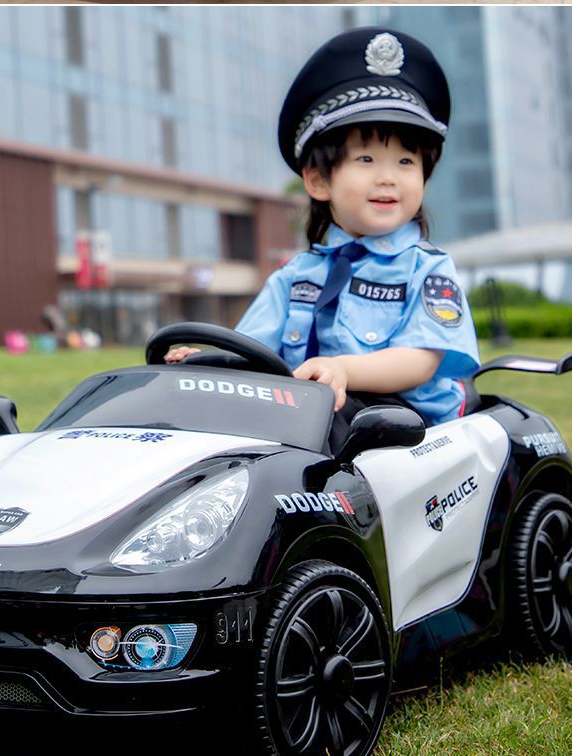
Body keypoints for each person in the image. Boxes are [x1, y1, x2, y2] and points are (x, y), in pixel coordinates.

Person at [166, 27, 480, 449]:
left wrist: (343, 370)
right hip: (314, 418)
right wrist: (212, 363)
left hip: (405, 430)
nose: (388, 177)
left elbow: (421, 361)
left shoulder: (427, 268)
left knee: (316, 434)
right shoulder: (295, 276)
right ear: (318, 181)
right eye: (366, 158)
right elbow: (254, 350)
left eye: (406, 161)